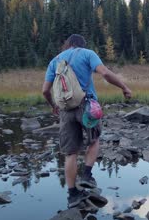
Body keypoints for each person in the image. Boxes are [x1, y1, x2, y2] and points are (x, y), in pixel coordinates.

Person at [42, 34, 132, 208]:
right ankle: (86, 175)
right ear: (81, 45)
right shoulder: (87, 53)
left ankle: (72, 195)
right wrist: (124, 87)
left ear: (67, 45)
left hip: (65, 109)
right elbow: (105, 73)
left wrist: (53, 105)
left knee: (71, 153)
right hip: (87, 106)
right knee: (94, 140)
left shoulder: (55, 61)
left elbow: (45, 90)